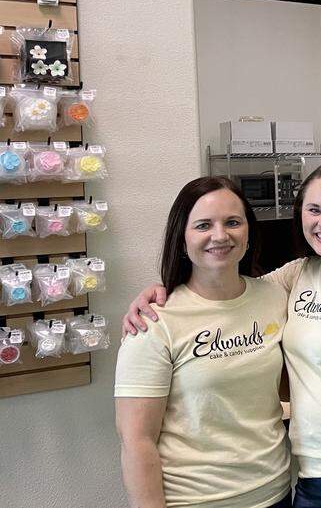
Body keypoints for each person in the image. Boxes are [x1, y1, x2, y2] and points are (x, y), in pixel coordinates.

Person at [125, 162, 321, 508]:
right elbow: (223, 291)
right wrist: (161, 292)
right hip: (312, 479)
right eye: (314, 210)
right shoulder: (295, 277)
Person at [115, 176, 292, 508]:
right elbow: (136, 441)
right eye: (203, 225)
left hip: (275, 493)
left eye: (233, 222)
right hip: (197, 500)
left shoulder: (274, 297)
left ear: (249, 232)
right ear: (182, 239)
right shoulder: (155, 322)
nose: (220, 235)